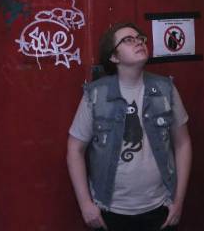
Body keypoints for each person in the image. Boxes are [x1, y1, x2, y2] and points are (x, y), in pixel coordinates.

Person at [67, 22, 192, 231]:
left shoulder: (165, 89)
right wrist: (86, 205)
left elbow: (183, 144)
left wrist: (178, 201)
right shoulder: (96, 95)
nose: (138, 42)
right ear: (114, 57)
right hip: (110, 212)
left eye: (140, 38)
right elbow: (74, 149)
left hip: (160, 209)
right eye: (128, 40)